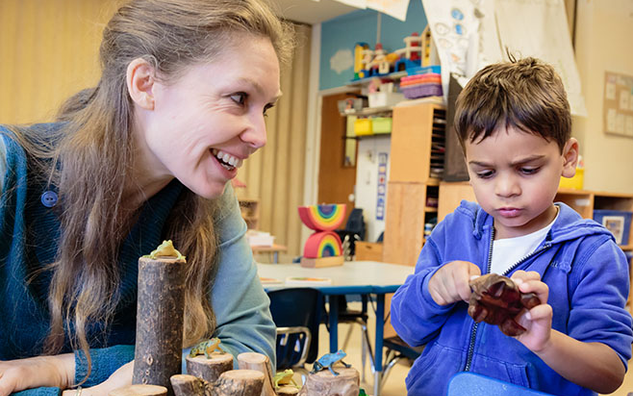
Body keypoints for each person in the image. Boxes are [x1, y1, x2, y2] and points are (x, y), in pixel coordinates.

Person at [0, 0, 294, 394]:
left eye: (267, 109)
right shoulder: (10, 167)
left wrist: (61, 370)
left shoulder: (203, 190)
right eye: (239, 98)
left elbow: (250, 349)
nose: (260, 136)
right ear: (145, 84)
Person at [391, 57, 633, 395]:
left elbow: (609, 373)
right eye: (486, 173)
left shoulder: (591, 254)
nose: (506, 189)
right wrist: (434, 288)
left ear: (568, 158)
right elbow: (406, 328)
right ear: (468, 165)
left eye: (528, 169)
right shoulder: (453, 231)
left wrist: (546, 342)